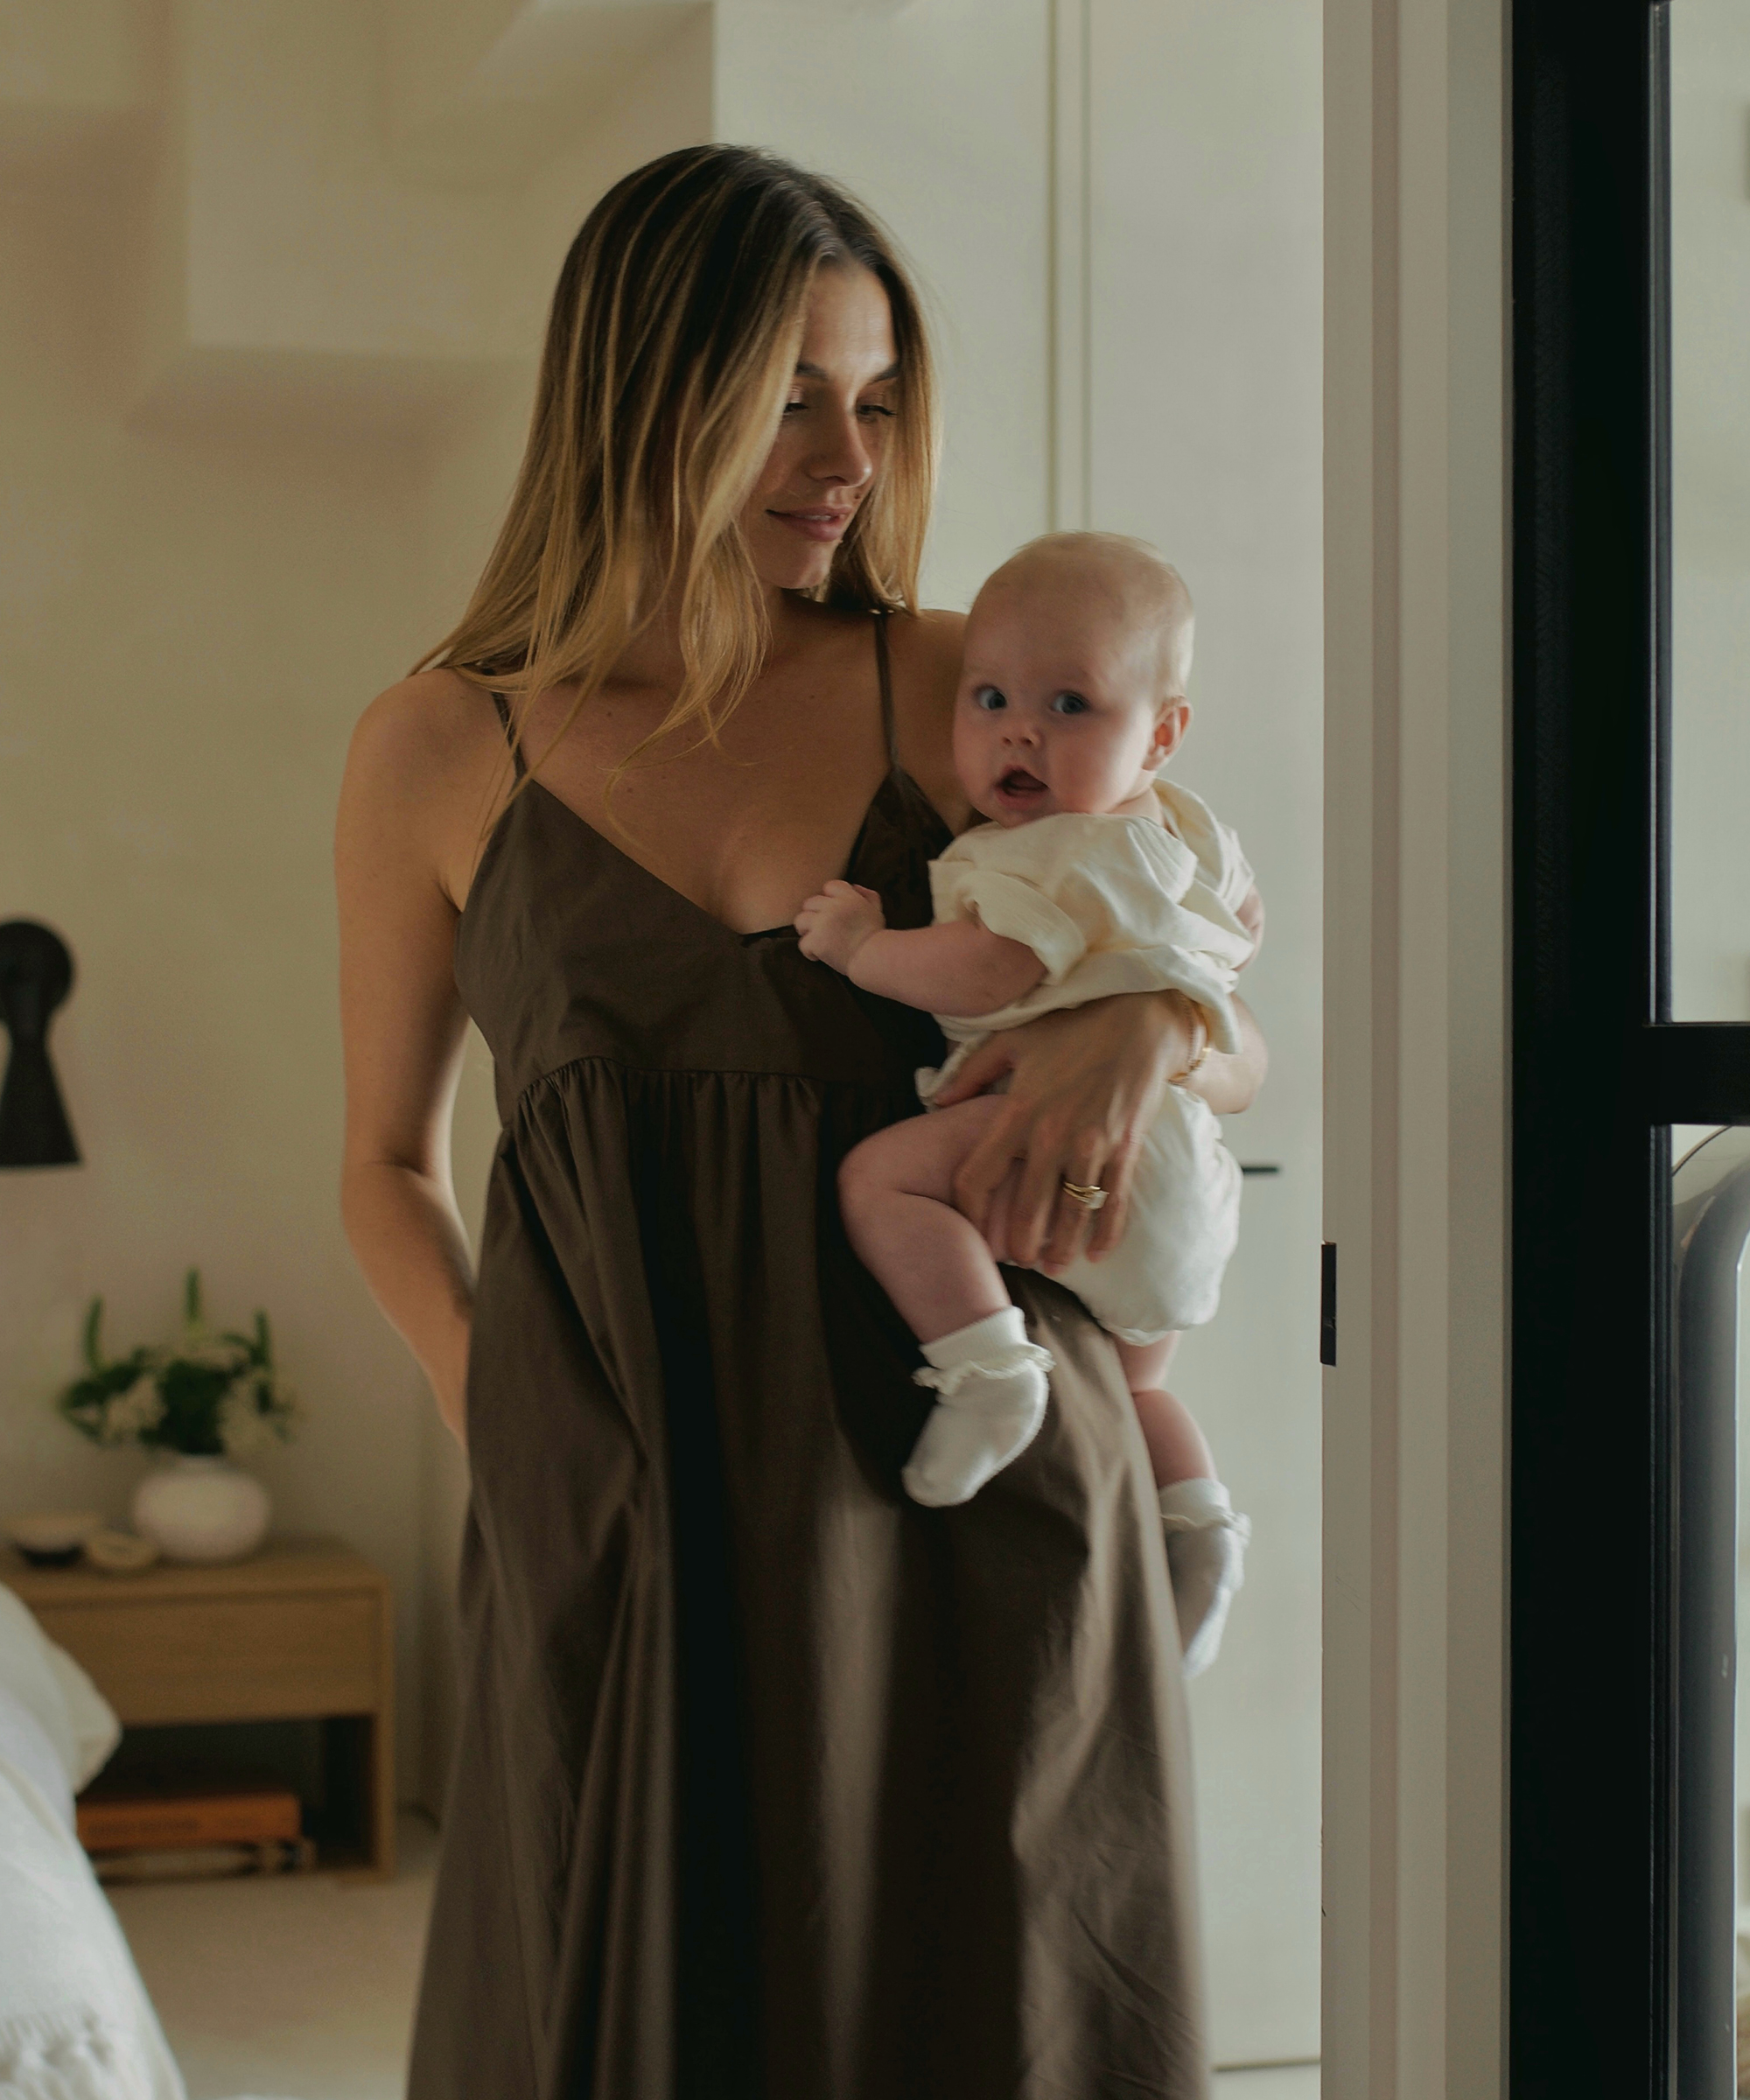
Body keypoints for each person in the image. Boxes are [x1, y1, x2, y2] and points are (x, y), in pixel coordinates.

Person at [335, 144, 1267, 2099]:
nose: (846, 455)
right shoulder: (441, 742)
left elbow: (1208, 1003)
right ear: (635, 397)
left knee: (988, 2013)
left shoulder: (958, 685)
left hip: (966, 1476)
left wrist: (1150, 1036)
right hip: (629, 1496)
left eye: (878, 396)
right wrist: (524, 1418)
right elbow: (386, 1170)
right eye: (784, 394)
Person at [795, 531, 1257, 1676]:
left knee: (882, 1181)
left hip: (1062, 1139)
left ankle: (986, 1367)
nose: (1019, 733)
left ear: (1158, 733)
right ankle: (1197, 1526)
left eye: (1069, 705)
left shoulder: (1041, 854)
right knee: (1143, 1384)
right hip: (1187, 1182)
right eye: (992, 697)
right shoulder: (1185, 831)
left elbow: (989, 972)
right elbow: (1243, 934)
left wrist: (864, 948)